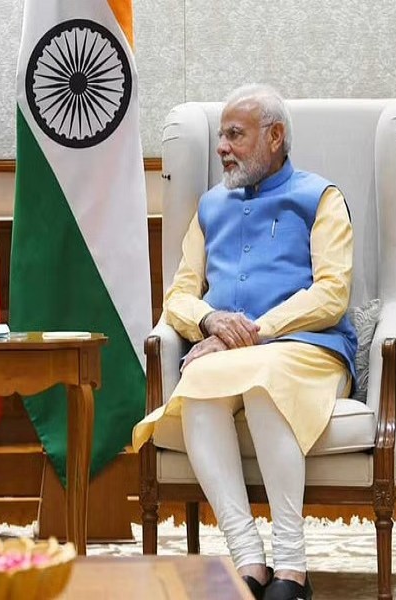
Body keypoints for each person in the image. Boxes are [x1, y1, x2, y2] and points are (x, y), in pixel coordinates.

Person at [132, 84, 357, 600]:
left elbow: (332, 294)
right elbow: (179, 297)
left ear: (275, 137)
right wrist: (211, 321)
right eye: (221, 136)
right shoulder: (210, 207)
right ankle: (249, 562)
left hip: (308, 349)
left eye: (236, 135)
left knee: (262, 381)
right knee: (200, 384)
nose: (222, 148)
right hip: (231, 351)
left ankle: (293, 570)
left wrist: (252, 334)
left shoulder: (321, 198)